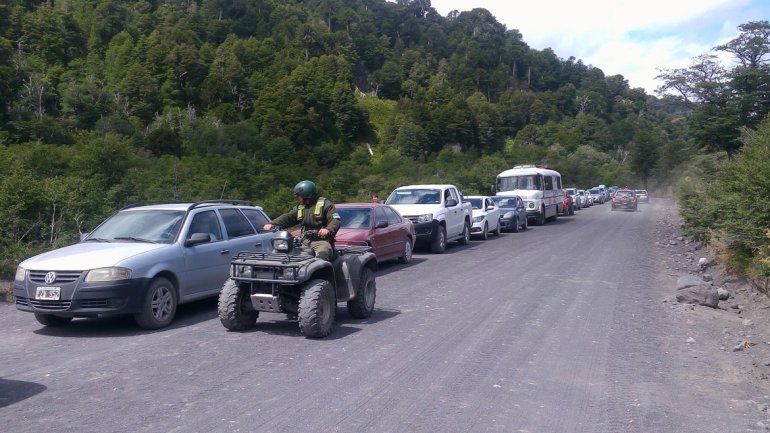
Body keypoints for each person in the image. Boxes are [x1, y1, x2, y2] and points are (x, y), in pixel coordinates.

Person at [263, 180, 340, 261]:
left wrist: (328, 229)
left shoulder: (325, 204)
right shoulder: (300, 207)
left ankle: (322, 268)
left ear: (306, 195)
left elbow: (335, 220)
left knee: (323, 253)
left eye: (298, 196)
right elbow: (289, 217)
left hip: (321, 240)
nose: (297, 198)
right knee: (284, 253)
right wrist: (273, 224)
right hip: (304, 240)